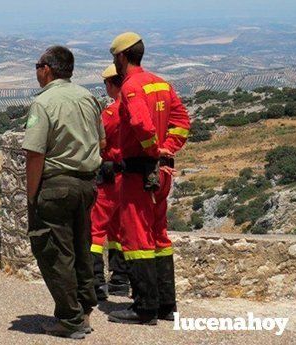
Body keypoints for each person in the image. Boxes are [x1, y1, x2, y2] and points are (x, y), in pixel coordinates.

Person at [106, 32, 190, 325]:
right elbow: (182, 121)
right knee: (159, 235)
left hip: (140, 173)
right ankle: (167, 305)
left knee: (137, 238)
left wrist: (153, 150)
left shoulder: (130, 86)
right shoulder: (161, 82)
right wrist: (168, 148)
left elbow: (141, 125)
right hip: (162, 172)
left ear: (121, 57)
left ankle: (144, 308)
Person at [22, 45, 104, 339]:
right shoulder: (87, 97)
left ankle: (70, 320)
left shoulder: (44, 103)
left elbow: (34, 153)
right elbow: (101, 142)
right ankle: (84, 309)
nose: (36, 72)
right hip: (86, 184)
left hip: (56, 186)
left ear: (47, 69)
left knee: (54, 252)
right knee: (82, 249)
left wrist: (32, 194)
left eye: (37, 66)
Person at [90, 64, 130, 301]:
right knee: (118, 229)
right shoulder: (136, 107)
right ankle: (120, 280)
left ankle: (96, 282)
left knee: (95, 229)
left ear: (112, 84)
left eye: (106, 83)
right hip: (128, 176)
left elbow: (98, 138)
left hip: (109, 175)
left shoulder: (113, 112)